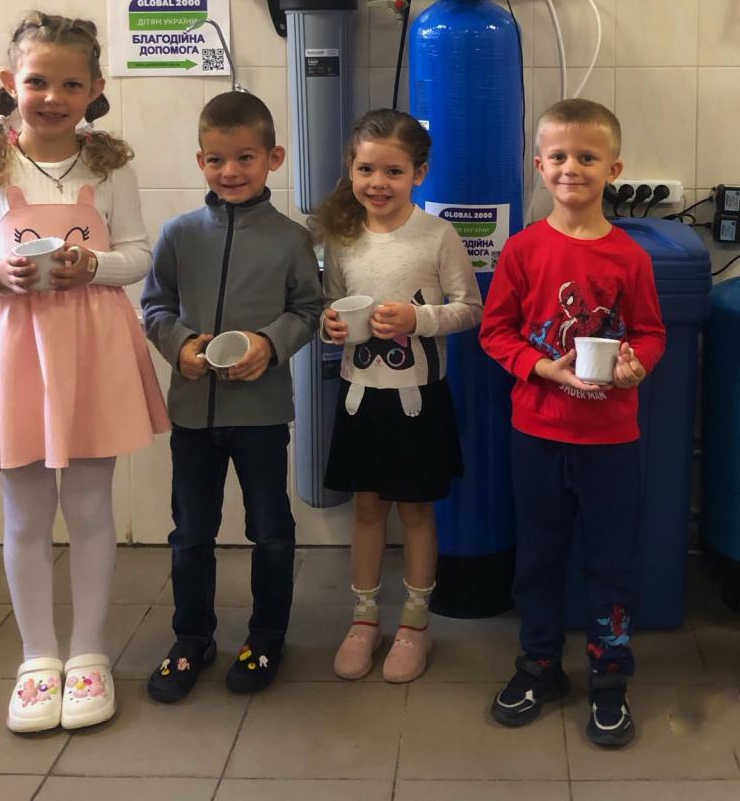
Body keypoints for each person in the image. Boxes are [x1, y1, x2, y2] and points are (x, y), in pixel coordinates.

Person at [0, 11, 169, 733]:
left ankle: (88, 654)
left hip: (93, 345)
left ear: (94, 89)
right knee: (23, 512)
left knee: (89, 508)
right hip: (14, 349)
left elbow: (142, 253)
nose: (51, 95)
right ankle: (36, 658)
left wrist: (99, 265)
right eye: (36, 81)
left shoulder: (110, 167)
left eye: (69, 83)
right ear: (8, 84)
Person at [479, 98, 666, 747]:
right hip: (536, 432)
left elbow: (649, 332)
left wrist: (638, 364)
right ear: (538, 165)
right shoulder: (524, 251)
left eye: (587, 157)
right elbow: (495, 332)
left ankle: (610, 677)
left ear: (614, 167)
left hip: (613, 441)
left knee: (612, 561)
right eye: (558, 156)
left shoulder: (630, 259)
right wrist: (543, 370)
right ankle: (538, 665)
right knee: (539, 556)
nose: (571, 168)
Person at [142, 90, 322, 701]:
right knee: (191, 532)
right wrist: (181, 343)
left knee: (270, 529)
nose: (231, 172)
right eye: (217, 160)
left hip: (263, 413)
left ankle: (267, 635)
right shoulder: (178, 234)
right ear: (200, 162)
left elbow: (309, 309)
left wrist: (271, 344)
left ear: (273, 157)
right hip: (193, 412)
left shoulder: (291, 240)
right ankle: (191, 637)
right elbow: (155, 307)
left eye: (245, 158)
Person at [314, 109, 482, 684]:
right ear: (351, 170)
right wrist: (329, 327)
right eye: (366, 169)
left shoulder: (437, 235)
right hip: (361, 396)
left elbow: (470, 309)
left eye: (393, 170)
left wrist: (419, 317)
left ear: (420, 173)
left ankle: (415, 623)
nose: (377, 183)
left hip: (418, 397)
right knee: (367, 506)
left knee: (414, 509)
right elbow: (330, 305)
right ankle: (365, 620)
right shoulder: (342, 237)